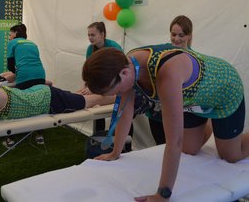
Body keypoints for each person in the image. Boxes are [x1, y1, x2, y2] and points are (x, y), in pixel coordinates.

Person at [82, 45, 249, 201]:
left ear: (124, 73)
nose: (119, 94)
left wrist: (163, 194)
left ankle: (217, 120)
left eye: (117, 91)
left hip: (225, 92)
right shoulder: (127, 64)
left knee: (231, 156)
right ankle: (213, 123)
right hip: (193, 101)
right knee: (189, 149)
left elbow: (174, 141)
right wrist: (115, 153)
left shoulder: (167, 74)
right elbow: (124, 111)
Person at [0, 84, 115, 137]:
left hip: (48, 101)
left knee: (90, 101)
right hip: (37, 93)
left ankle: (118, 95)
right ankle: (89, 90)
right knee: (78, 98)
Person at [148, 15, 194, 145]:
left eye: (181, 35)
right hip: (157, 114)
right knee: (160, 146)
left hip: (181, 114)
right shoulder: (160, 52)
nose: (176, 39)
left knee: (178, 148)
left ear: (189, 36)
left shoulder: (194, 59)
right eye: (173, 34)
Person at [78, 21, 123, 134]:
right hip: (102, 86)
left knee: (119, 114)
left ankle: (123, 140)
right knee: (92, 104)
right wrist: (87, 87)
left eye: (93, 35)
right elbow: (90, 72)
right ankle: (98, 135)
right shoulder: (90, 49)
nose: (90, 38)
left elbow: (118, 73)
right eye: (88, 35)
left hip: (117, 85)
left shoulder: (113, 48)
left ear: (102, 34)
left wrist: (94, 88)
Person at [7, 24, 47, 144]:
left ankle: (11, 137)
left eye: (10, 34)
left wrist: (17, 73)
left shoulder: (13, 43)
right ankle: (39, 135)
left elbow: (10, 64)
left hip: (25, 76)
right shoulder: (33, 44)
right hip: (40, 74)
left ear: (15, 33)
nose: (9, 37)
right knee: (39, 104)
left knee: (19, 104)